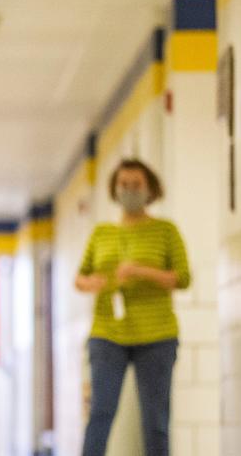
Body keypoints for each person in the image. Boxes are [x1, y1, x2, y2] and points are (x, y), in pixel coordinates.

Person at [74, 159, 191, 456]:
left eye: (136, 185)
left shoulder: (165, 231)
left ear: (149, 188)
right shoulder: (101, 233)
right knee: (100, 413)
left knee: (155, 421)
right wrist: (92, 283)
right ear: (115, 188)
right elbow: (79, 276)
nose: (129, 190)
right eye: (123, 184)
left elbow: (183, 277)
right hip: (107, 333)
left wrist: (141, 271)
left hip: (156, 335)